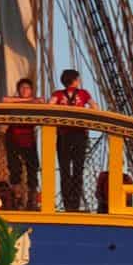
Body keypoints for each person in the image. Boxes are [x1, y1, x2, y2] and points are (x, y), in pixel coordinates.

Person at [49, 68, 94, 212]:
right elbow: (95, 108)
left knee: (65, 170)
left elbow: (49, 108)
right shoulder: (84, 94)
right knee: (78, 169)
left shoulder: (57, 95)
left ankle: (68, 203)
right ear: (74, 80)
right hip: (79, 134)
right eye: (78, 79)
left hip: (63, 135)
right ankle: (75, 203)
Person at [5, 77, 40, 209]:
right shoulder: (15, 101)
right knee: (14, 168)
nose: (25, 90)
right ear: (18, 90)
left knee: (33, 168)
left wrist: (30, 101)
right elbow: (5, 100)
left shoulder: (35, 102)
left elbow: (42, 102)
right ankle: (17, 197)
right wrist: (27, 100)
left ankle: (32, 199)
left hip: (28, 139)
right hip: (13, 137)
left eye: (27, 88)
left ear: (31, 90)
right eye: (22, 88)